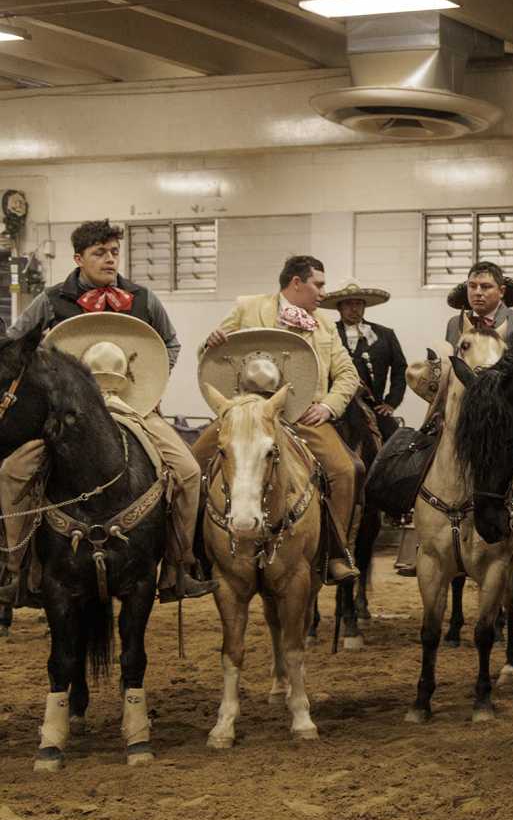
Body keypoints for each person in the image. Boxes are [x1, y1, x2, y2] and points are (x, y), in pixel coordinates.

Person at [0, 218, 215, 604]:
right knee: (13, 472)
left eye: (114, 252)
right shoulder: (50, 301)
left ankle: (179, 567)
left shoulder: (145, 299)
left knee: (188, 471)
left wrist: (150, 380)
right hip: (64, 421)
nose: (110, 259)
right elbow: (16, 346)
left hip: (135, 408)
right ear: (78, 258)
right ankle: (16, 569)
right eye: (100, 252)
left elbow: (171, 344)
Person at [198, 255, 362, 583]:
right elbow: (210, 353)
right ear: (296, 283)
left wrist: (328, 407)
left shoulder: (326, 324)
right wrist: (209, 342)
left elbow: (347, 374)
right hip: (246, 414)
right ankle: (188, 554)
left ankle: (335, 552)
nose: (323, 293)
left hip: (303, 415)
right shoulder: (248, 307)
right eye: (318, 284)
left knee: (346, 470)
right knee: (191, 465)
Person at [323, 282, 407, 442]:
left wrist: (391, 402)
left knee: (396, 441)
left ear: (364, 306)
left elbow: (400, 370)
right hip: (336, 405)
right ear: (339, 308)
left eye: (358, 304)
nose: (354, 309)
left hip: (373, 406)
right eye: (348, 304)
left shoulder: (385, 334)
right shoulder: (327, 333)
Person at [444, 260, 513, 344]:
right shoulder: (454, 323)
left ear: (501, 291)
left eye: (485, 287)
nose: (477, 292)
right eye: (472, 286)